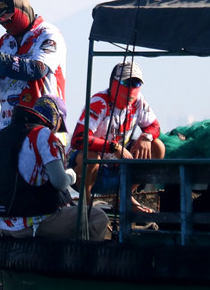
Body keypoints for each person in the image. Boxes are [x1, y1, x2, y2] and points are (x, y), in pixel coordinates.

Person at [0, 95, 109, 240]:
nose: (56, 131)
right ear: (57, 119)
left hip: (4, 225)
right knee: (98, 218)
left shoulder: (2, 135)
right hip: (34, 225)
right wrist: (71, 175)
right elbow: (60, 183)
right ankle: (81, 259)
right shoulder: (42, 134)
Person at [0, 0, 66, 132]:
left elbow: (37, 69)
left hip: (43, 129)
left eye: (8, 19)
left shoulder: (48, 34)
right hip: (8, 128)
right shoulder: (4, 41)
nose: (4, 24)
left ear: (23, 12)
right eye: (0, 21)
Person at [69, 61, 163, 212]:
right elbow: (78, 138)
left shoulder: (139, 102)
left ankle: (124, 196)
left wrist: (146, 136)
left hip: (119, 166)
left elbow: (155, 126)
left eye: (136, 83)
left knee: (157, 146)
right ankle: (86, 206)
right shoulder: (99, 102)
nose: (131, 89)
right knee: (91, 154)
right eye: (126, 82)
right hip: (89, 170)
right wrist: (113, 147)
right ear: (114, 83)